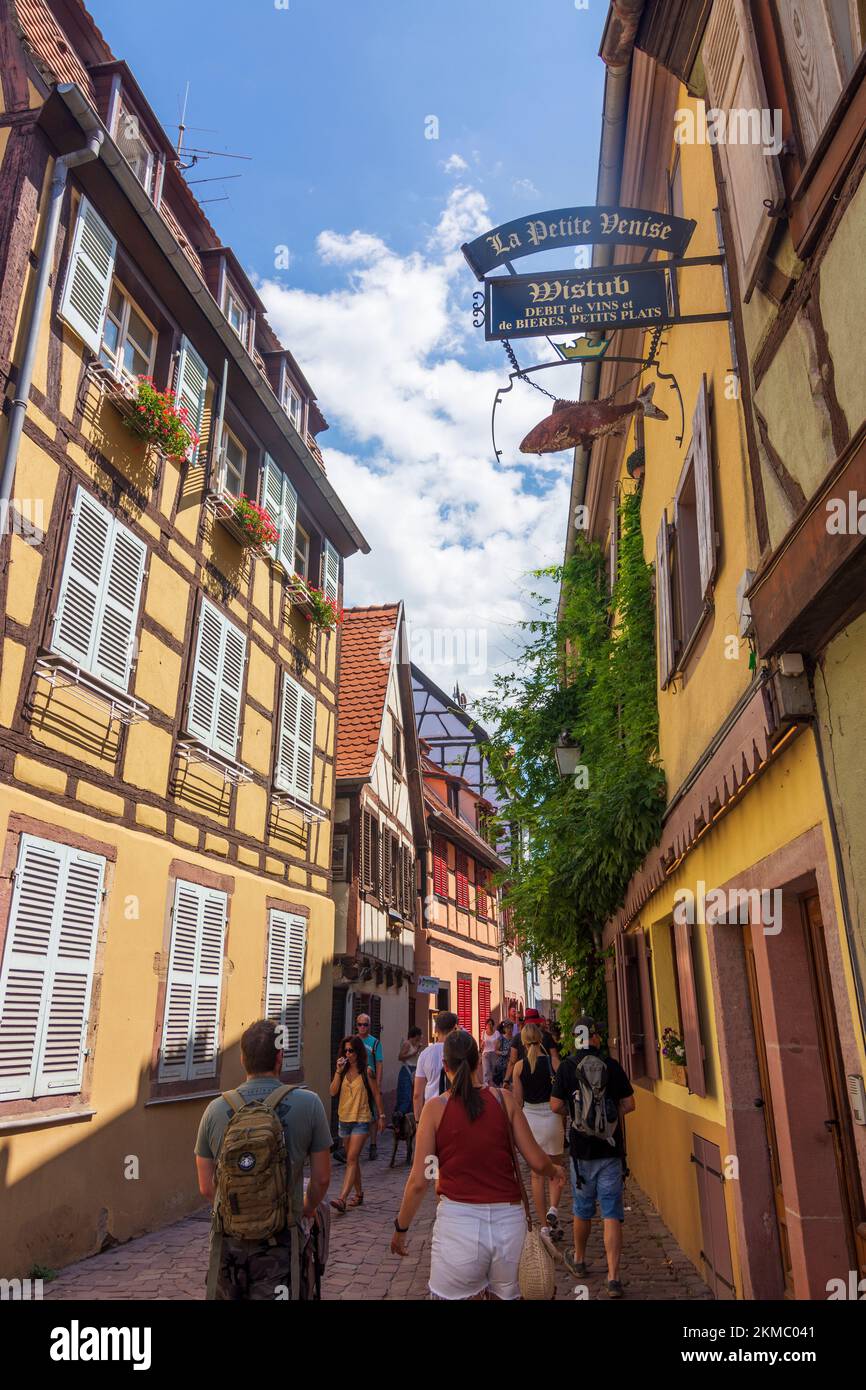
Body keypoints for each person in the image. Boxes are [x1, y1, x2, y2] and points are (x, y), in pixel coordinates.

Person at [391, 1028, 559, 1300]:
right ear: (479, 1061)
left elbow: (419, 1182)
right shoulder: (503, 1101)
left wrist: (401, 1228)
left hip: (459, 1227)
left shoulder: (435, 1110)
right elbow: (537, 1161)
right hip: (509, 1228)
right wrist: (556, 1171)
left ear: (445, 1066)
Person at [194, 1019, 332, 1300]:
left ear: (243, 1058)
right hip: (281, 1242)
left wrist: (241, 1211)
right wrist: (305, 1207)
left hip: (227, 1245)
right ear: (280, 1057)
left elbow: (207, 1188)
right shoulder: (310, 1104)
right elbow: (321, 1178)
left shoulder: (215, 1110)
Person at [550, 1015, 635, 1298]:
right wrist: (607, 1122)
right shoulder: (610, 1066)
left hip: (581, 1152)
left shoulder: (566, 1067)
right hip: (610, 1150)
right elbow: (629, 1104)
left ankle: (580, 1259)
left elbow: (554, 1106)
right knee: (611, 1212)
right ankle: (613, 1276)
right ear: (595, 1037)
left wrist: (578, 1118)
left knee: (582, 1209)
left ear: (575, 1038)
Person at [511, 1023, 566, 1240]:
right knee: (556, 1169)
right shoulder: (553, 1063)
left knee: (537, 1176)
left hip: (531, 1119)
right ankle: (554, 1208)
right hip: (552, 1118)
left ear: (523, 1042)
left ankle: (544, 1224)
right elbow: (560, 1096)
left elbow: (518, 1100)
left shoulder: (519, 1067)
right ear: (541, 1040)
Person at [329, 1035, 385, 1213]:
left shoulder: (367, 1071)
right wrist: (338, 1071)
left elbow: (376, 1094)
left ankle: (342, 1198)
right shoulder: (342, 1071)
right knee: (352, 1160)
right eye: (345, 1050)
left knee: (352, 1158)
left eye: (351, 1050)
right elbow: (332, 1091)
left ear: (358, 1052)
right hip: (344, 1119)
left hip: (361, 1119)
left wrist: (382, 1115)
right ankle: (359, 1194)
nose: (348, 1054)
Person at [412, 1010, 458, 1120]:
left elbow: (417, 1095)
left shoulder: (425, 1054)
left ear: (436, 1029)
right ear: (454, 1028)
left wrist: (418, 1121)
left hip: (432, 1111)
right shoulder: (459, 1051)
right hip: (455, 1110)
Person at [505, 1007, 559, 1085]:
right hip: (545, 1076)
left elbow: (512, 1061)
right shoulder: (547, 1036)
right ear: (538, 1022)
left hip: (524, 1074)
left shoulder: (517, 1037)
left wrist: (506, 1079)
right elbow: (555, 1057)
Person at [355, 1012, 383, 1158]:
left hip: (369, 1083)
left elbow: (379, 1063)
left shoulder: (375, 1043)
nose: (362, 1027)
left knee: (372, 1115)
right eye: (360, 1024)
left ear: (369, 1026)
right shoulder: (353, 1042)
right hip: (355, 1083)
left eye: (365, 1024)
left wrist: (377, 1083)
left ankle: (373, 1145)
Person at [396, 1026, 423, 1113]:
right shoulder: (407, 1044)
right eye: (418, 1036)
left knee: (412, 1096)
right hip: (407, 1070)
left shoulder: (415, 1044)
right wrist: (414, 1053)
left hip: (413, 1070)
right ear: (415, 1035)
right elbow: (400, 1057)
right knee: (406, 1096)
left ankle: (407, 1119)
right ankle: (399, 1116)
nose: (419, 1039)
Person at [480, 1015, 500, 1086]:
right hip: (485, 1054)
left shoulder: (496, 1033)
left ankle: (495, 1086)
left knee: (494, 1070)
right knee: (486, 1071)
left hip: (494, 1053)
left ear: (493, 1025)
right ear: (486, 1025)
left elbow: (498, 1045)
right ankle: (486, 1086)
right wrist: (482, 1044)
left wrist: (496, 1044)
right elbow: (481, 1046)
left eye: (491, 1024)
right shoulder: (483, 1033)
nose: (490, 1026)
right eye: (488, 1024)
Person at [492, 1020, 512, 1087]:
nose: (509, 1029)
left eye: (511, 1027)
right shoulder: (501, 1038)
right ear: (504, 1029)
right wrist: (503, 1053)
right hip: (502, 1064)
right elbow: (496, 1050)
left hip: (511, 1063)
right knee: (501, 1084)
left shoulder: (514, 1038)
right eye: (507, 1028)